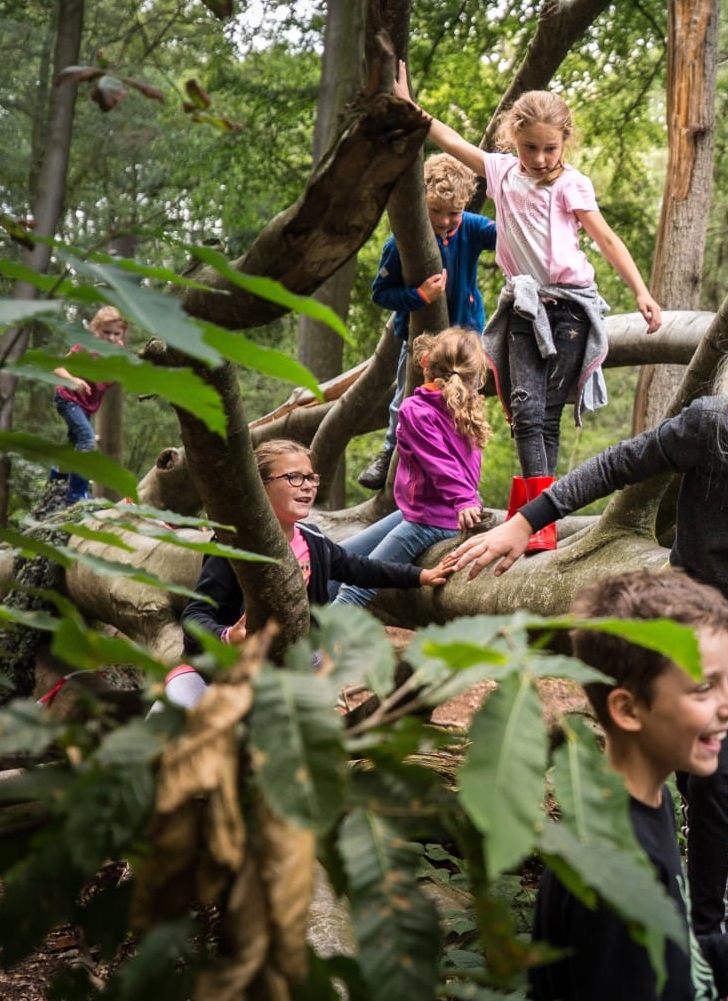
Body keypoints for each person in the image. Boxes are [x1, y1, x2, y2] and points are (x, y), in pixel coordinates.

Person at [449, 325, 728, 935]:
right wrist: (526, 521)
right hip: (683, 620)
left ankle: (716, 941)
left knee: (716, 771)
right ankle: (643, 905)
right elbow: (620, 462)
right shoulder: (709, 426)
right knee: (660, 764)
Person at [392, 63, 663, 552]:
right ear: (514, 140)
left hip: (568, 310)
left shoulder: (570, 185)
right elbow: (450, 140)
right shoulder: (499, 172)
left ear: (565, 142)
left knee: (546, 415)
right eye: (530, 147)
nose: (540, 158)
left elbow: (604, 238)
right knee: (523, 409)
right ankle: (537, 515)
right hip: (522, 304)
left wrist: (641, 290)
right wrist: (412, 108)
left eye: (550, 148)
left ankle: (539, 520)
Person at [530, 569, 728, 1001]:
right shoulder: (614, 868)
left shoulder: (646, 796)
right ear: (628, 709)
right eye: (704, 689)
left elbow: (657, 961)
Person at [169, 439, 453, 708]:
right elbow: (195, 616)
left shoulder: (313, 542)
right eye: (294, 477)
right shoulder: (233, 546)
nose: (307, 487)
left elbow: (361, 568)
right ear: (259, 486)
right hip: (224, 670)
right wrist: (228, 636)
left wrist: (419, 576)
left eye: (311, 478)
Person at [358, 154, 499, 491]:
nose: (447, 221)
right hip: (421, 337)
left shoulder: (472, 228)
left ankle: (462, 465)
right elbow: (381, 293)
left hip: (466, 338)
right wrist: (419, 296)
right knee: (406, 397)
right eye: (436, 211)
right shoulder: (400, 244)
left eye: (454, 213)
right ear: (422, 205)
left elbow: (507, 237)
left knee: (467, 397)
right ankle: (391, 449)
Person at [335, 328, 488, 608]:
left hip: (432, 520)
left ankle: (312, 653)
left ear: (424, 364)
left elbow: (440, 464)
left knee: (355, 587)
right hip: (428, 511)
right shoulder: (464, 404)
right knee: (337, 558)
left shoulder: (416, 410)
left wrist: (465, 500)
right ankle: (299, 624)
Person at [50, 306, 129, 505]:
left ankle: (56, 481)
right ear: (96, 331)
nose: (111, 338)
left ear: (122, 334)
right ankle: (77, 494)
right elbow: (58, 368)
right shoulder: (85, 348)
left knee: (72, 444)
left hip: (86, 406)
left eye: (116, 334)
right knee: (86, 439)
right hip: (68, 398)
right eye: (106, 333)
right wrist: (74, 381)